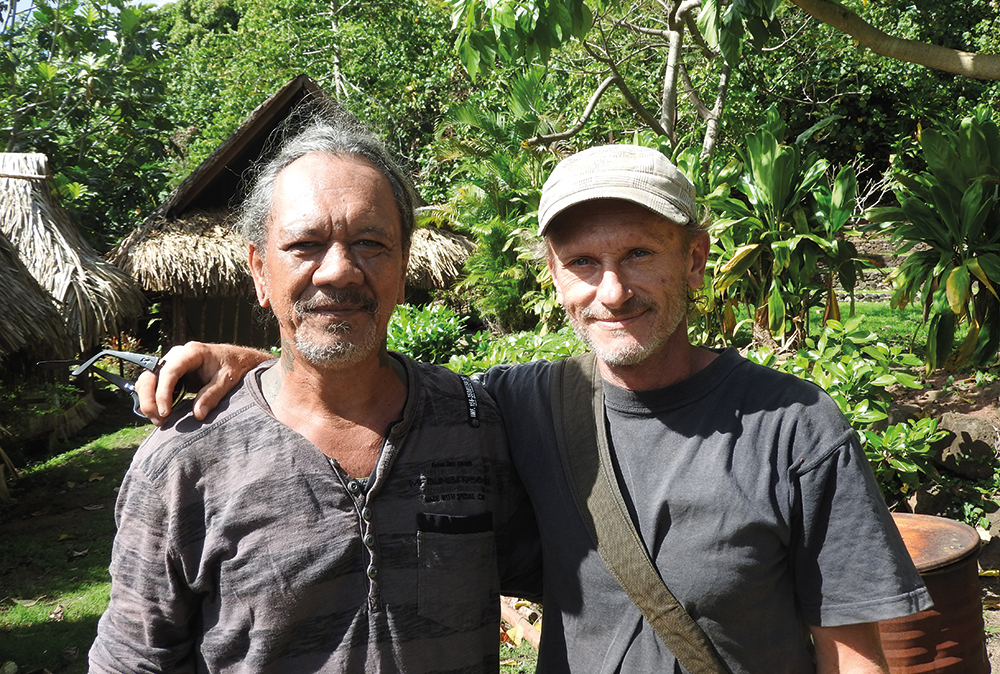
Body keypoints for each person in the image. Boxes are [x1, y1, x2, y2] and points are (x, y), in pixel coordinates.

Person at [140, 144, 932, 673]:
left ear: (695, 260)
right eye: (583, 262)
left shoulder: (793, 427)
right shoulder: (518, 404)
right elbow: (359, 382)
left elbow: (857, 652)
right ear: (554, 275)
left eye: (640, 255)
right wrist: (265, 368)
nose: (611, 290)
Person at [89, 111, 538, 673]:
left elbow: (556, 571)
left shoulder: (474, 422)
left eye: (371, 243)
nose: (339, 271)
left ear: (402, 266)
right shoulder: (185, 461)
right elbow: (132, 662)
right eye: (305, 244)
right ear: (259, 271)